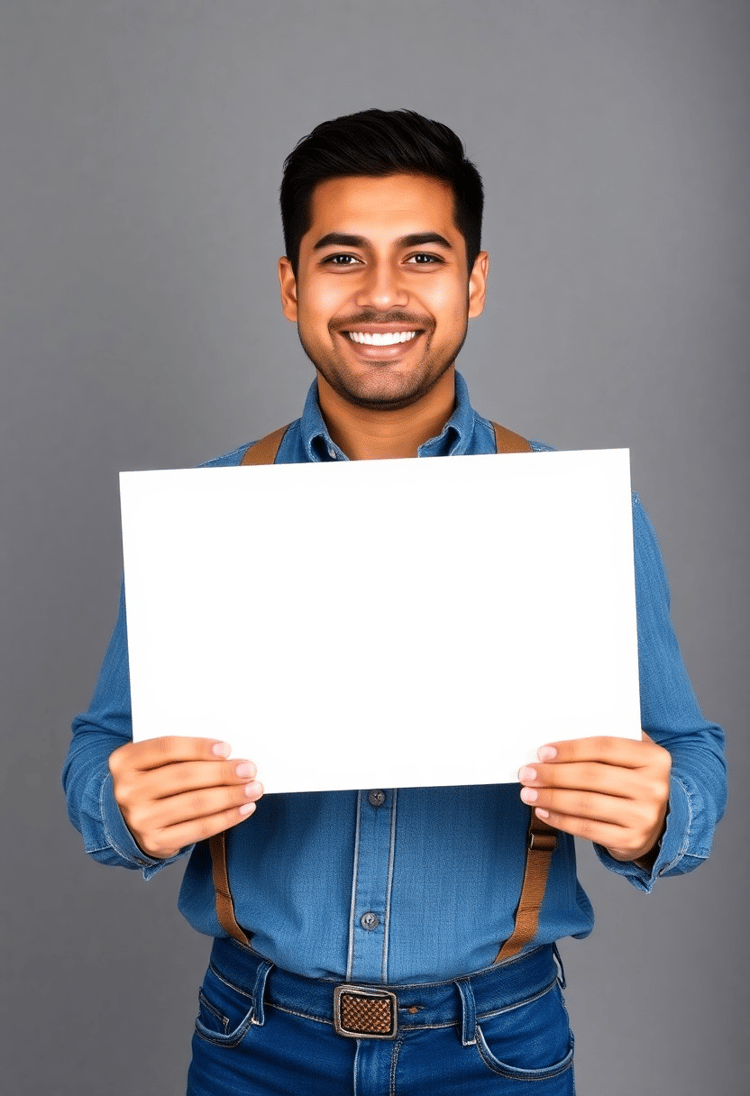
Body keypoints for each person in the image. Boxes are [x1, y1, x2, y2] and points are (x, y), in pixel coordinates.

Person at [64, 109, 727, 1095]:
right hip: (256, 1041)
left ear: (475, 282)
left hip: (498, 1045)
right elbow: (96, 754)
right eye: (342, 258)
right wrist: (122, 812)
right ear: (292, 286)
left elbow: (693, 758)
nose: (382, 293)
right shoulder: (205, 515)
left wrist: (659, 812)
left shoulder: (579, 515)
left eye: (421, 256)